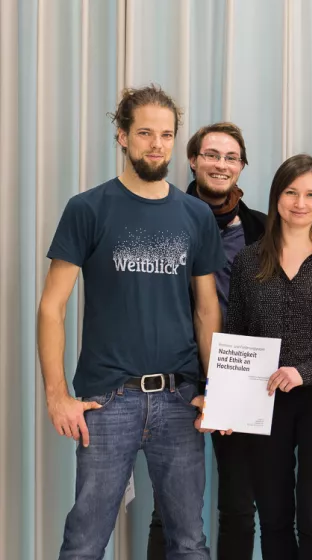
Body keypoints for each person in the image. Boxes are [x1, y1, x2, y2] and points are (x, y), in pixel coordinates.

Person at [40, 85, 222, 559]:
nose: (156, 144)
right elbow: (51, 307)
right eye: (144, 133)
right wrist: (57, 394)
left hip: (180, 399)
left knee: (189, 541)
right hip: (106, 401)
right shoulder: (88, 208)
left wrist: (216, 388)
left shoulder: (196, 214)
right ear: (122, 136)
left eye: (166, 134)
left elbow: (207, 310)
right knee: (84, 542)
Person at [225, 154, 312, 559]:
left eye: (311, 194)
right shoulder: (249, 260)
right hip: (263, 402)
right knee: (272, 517)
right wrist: (227, 405)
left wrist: (305, 372)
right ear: (276, 197)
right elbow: (236, 334)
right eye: (291, 192)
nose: (300, 203)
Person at [145, 121, 266, 560]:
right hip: (174, 376)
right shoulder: (160, 217)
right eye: (211, 155)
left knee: (238, 505)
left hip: (242, 376)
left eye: (231, 157)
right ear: (192, 161)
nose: (220, 164)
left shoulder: (262, 229)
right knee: (170, 508)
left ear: (242, 167)